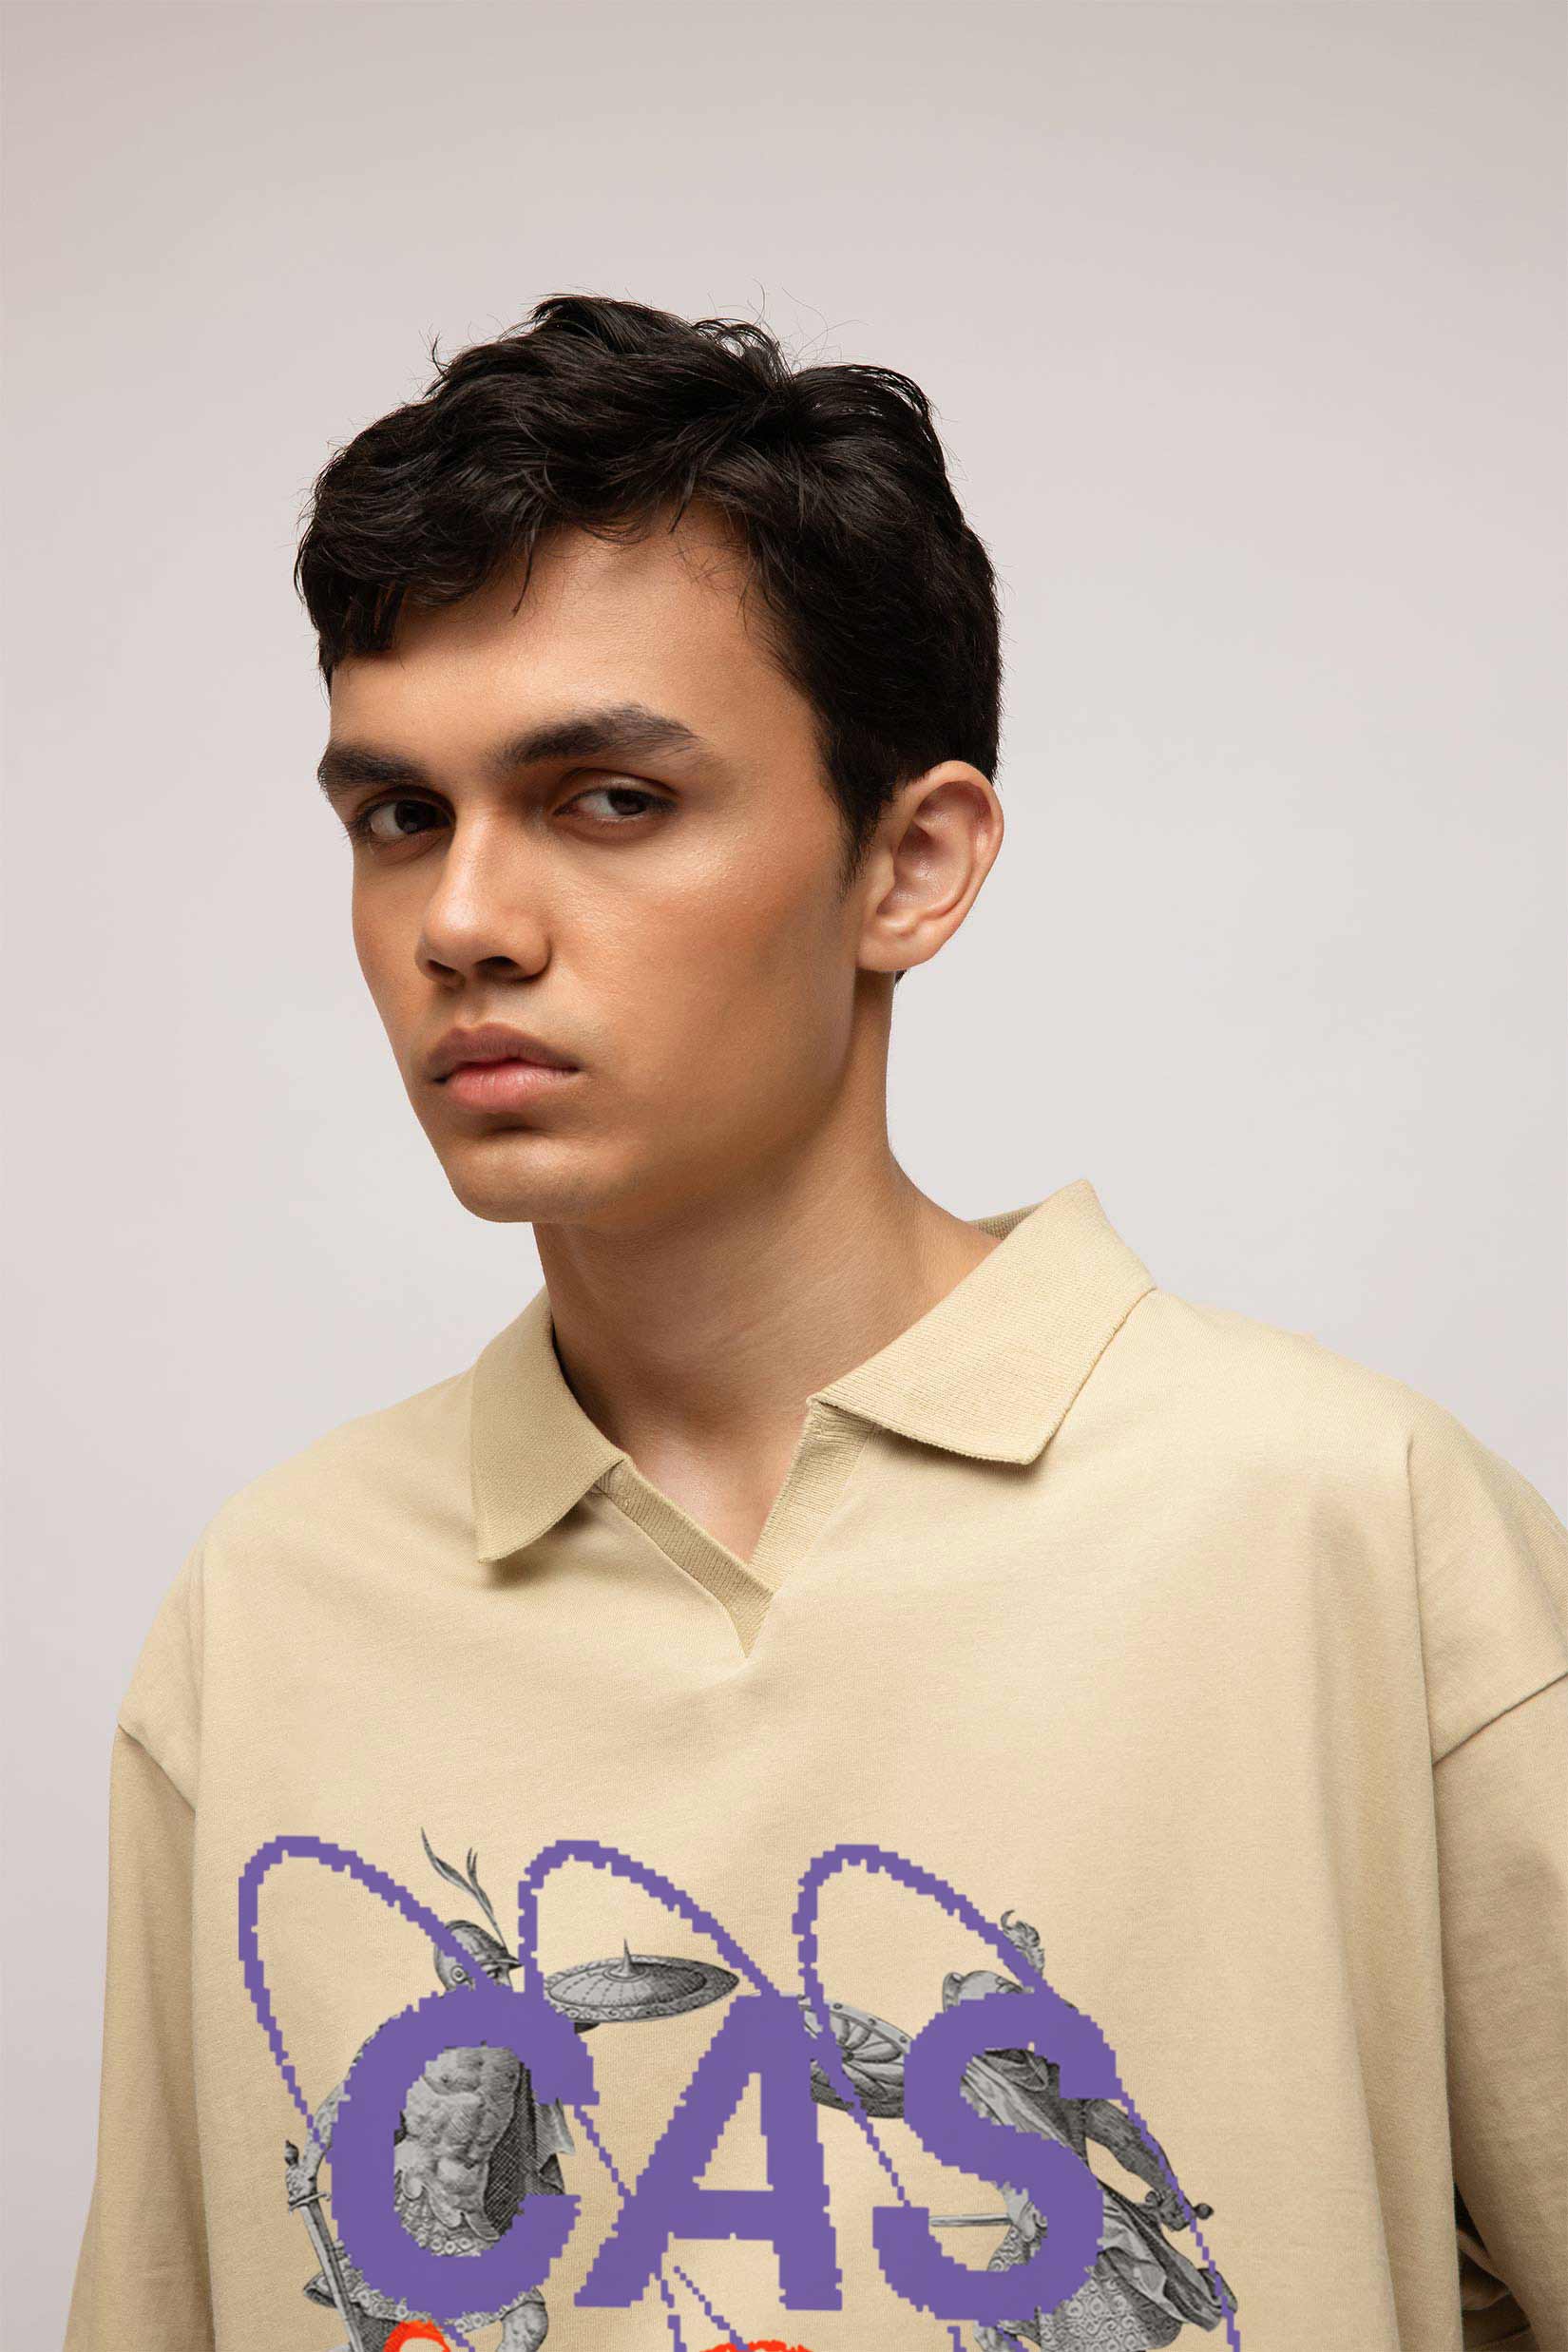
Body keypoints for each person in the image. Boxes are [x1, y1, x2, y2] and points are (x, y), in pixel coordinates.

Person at [65, 293, 1566, 2352]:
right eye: (400, 815)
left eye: (608, 797)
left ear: (911, 864)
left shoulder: (1347, 1528)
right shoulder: (269, 1611)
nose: (462, 921)